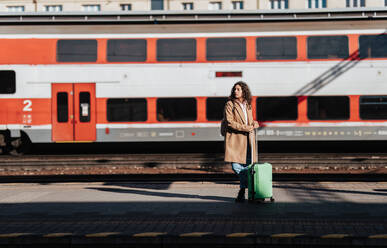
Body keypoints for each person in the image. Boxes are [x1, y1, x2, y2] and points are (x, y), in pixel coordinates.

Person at [223, 81, 259, 202]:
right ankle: (247, 189)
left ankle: (242, 191)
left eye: (238, 89)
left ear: (244, 91)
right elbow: (230, 122)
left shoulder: (248, 104)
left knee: (248, 166)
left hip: (248, 139)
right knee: (236, 166)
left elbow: (251, 120)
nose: (235, 91)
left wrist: (254, 123)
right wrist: (247, 128)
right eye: (235, 89)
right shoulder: (230, 104)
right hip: (236, 139)